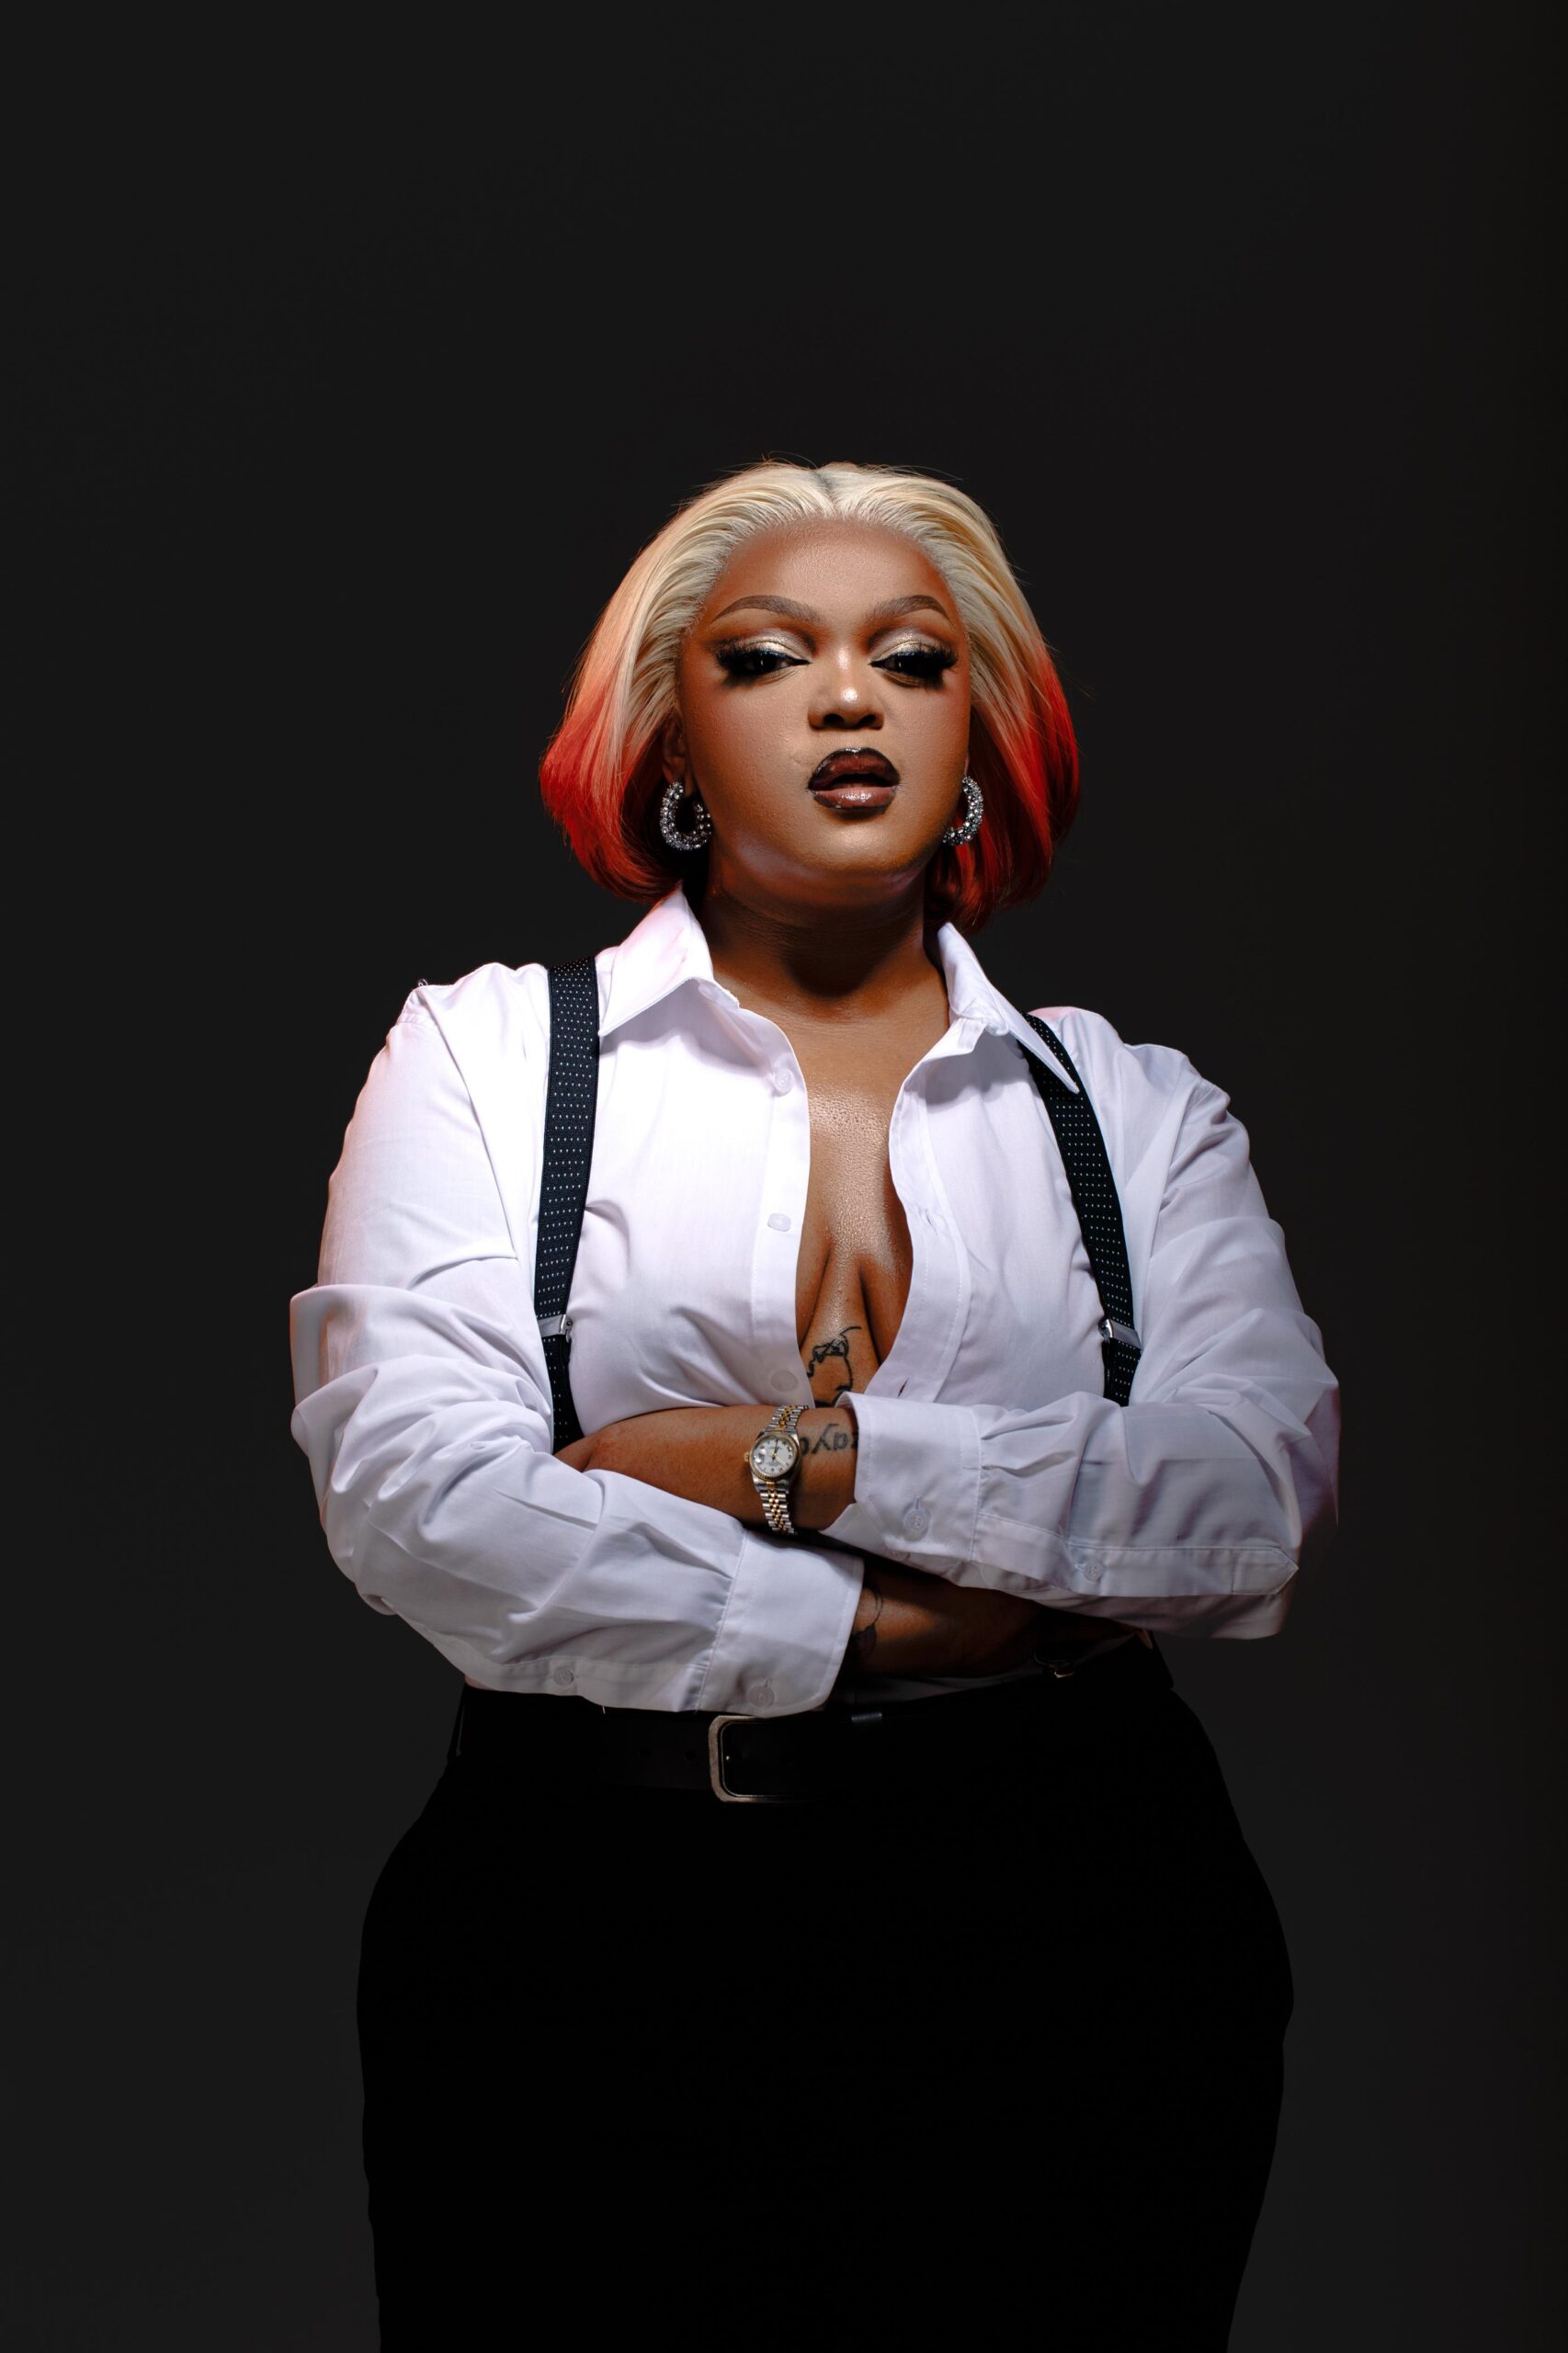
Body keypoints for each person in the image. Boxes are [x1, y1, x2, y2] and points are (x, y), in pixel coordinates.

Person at [290, 459, 1340, 2347]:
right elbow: (416, 1494)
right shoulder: (490, 1055)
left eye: (912, 658)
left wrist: (792, 1459)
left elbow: (1249, 1490)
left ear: (980, 731)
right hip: (587, 1915)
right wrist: (904, 1623)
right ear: (671, 739)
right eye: (769, 656)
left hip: (1081, 1918)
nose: (850, 698)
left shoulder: (1133, 1109)